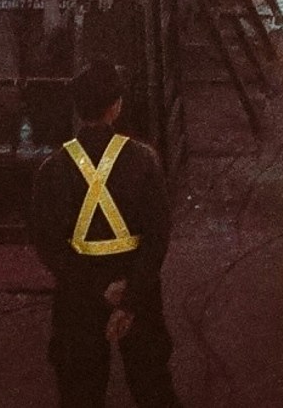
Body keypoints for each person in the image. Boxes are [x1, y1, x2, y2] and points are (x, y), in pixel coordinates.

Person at [26, 60, 179, 408]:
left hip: (79, 295)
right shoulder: (144, 160)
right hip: (136, 286)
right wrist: (129, 295)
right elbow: (158, 237)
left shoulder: (52, 169)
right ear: (117, 106)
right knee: (153, 383)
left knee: (79, 389)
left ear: (78, 110)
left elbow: (46, 243)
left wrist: (97, 290)